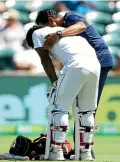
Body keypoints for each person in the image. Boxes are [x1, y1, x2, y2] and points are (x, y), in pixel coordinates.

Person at [35, 9, 113, 159]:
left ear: (52, 21)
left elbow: (81, 26)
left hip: (99, 60)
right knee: (84, 108)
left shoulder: (70, 17)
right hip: (92, 62)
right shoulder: (64, 25)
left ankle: (83, 150)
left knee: (85, 108)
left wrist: (57, 34)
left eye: (47, 27)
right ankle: (82, 150)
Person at [26, 25, 100, 161]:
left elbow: (45, 59)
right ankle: (86, 153)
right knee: (87, 111)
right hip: (95, 65)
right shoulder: (67, 30)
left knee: (60, 107)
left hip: (75, 63)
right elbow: (83, 26)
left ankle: (56, 151)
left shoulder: (36, 33)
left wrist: (55, 83)